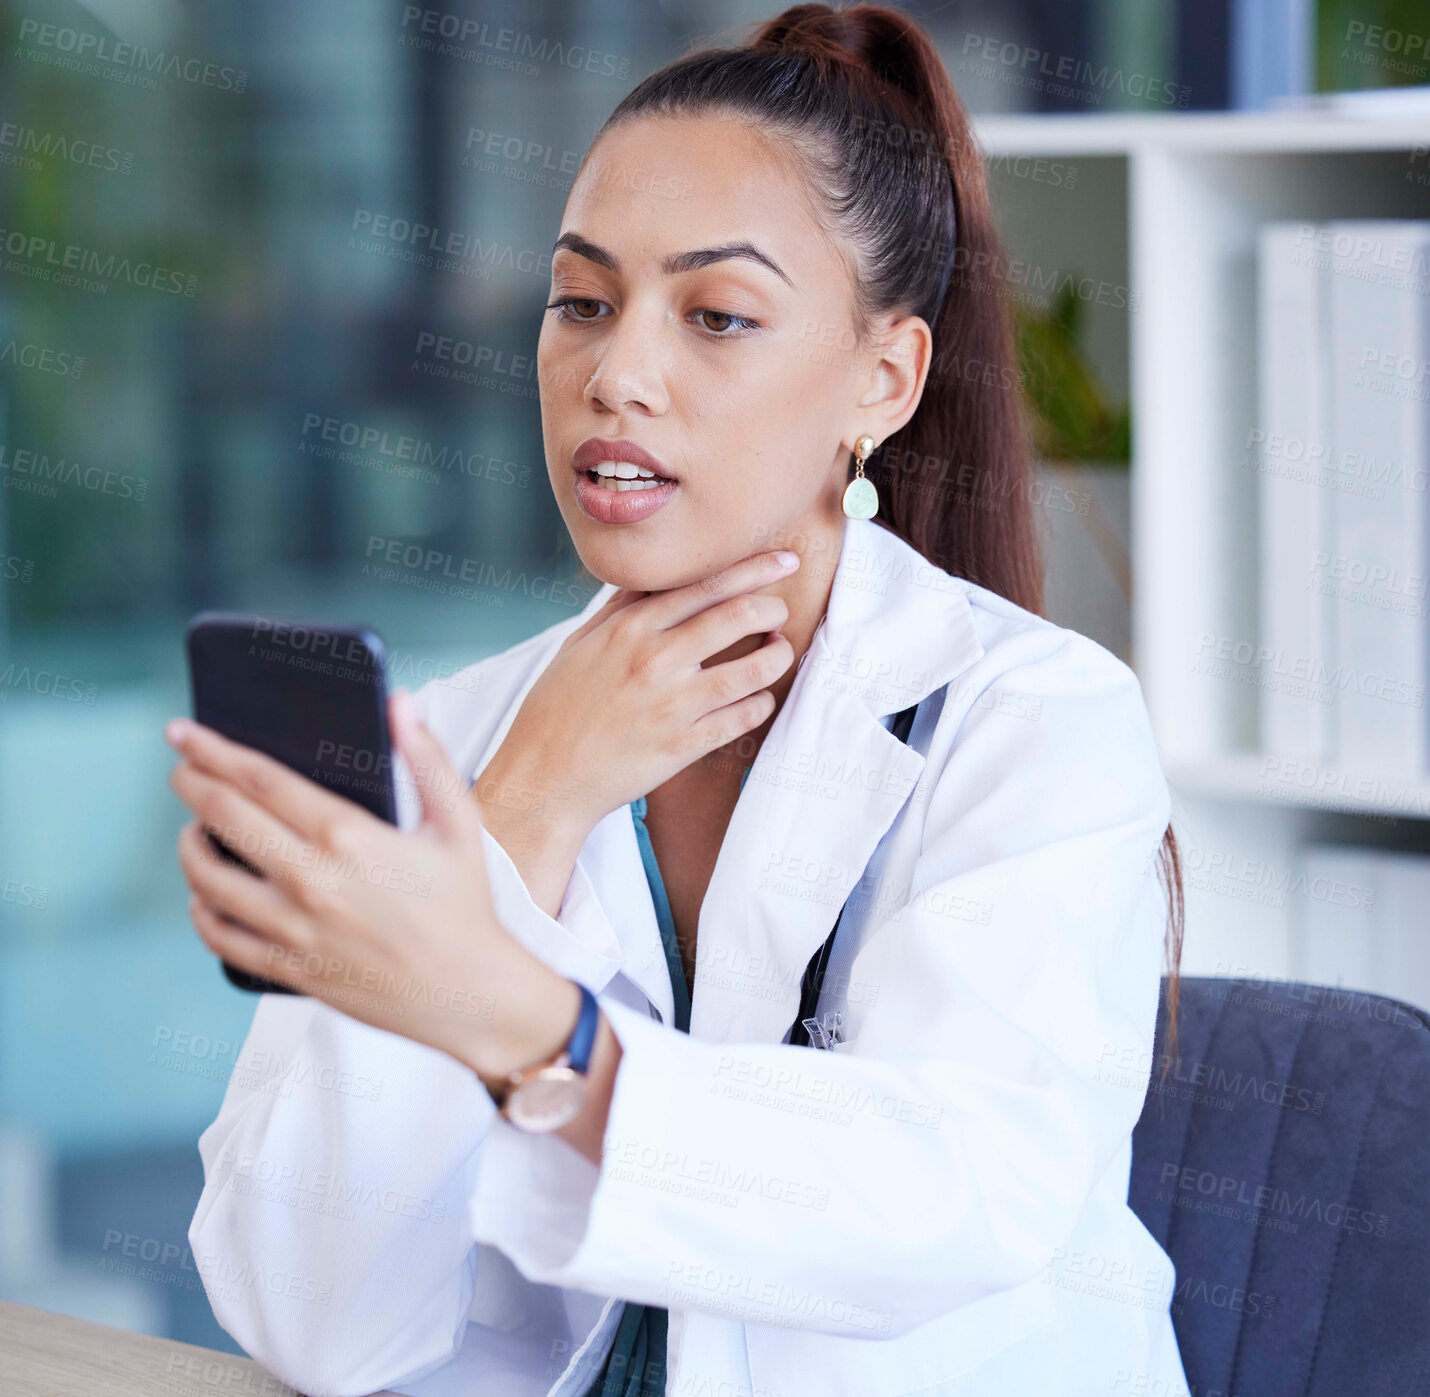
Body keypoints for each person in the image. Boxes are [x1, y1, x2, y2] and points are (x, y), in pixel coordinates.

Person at [171, 6, 1192, 1396]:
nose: (617, 374)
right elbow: (304, 1314)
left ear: (880, 380)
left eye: (715, 316)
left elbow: (962, 1193)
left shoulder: (1034, 722)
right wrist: (518, 809)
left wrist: (537, 1035)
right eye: (581, 301)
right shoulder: (466, 734)